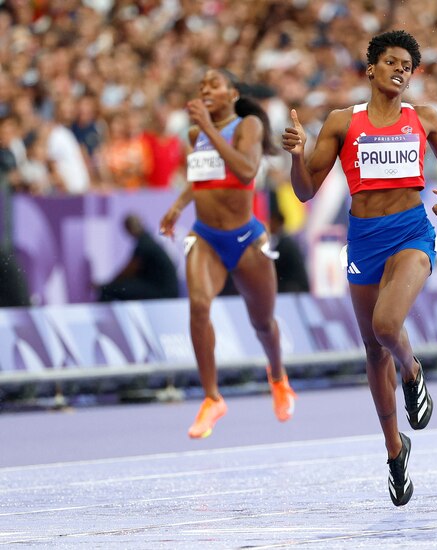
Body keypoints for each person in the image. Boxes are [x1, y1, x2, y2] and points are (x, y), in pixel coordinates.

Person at [282, 30, 437, 506]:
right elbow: (305, 191)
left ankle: (412, 370)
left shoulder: (425, 118)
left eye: (408, 66)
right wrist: (297, 156)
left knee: (386, 326)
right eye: (392, 62)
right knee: (372, 350)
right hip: (364, 240)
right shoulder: (343, 122)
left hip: (412, 234)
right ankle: (395, 451)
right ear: (371, 69)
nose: (400, 70)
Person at [159, 68, 296, 439]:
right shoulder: (195, 134)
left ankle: (278, 377)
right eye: (201, 85)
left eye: (214, 85)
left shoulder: (248, 126)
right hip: (205, 236)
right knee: (198, 305)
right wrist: (177, 206)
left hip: (246, 238)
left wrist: (208, 128)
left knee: (262, 323)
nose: (205, 89)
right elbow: (201, 176)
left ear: (232, 94)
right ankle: (212, 398)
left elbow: (246, 170)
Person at [97, 214, 179, 302]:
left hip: (163, 291)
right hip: (165, 289)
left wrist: (107, 285)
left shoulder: (144, 244)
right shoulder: (147, 240)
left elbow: (129, 271)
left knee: (110, 290)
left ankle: (100, 311)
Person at [268, 207, 310, 293]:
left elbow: (273, 266)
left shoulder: (285, 243)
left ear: (278, 222)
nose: (269, 225)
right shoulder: (283, 240)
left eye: (271, 222)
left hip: (296, 289)